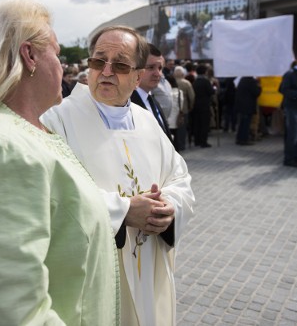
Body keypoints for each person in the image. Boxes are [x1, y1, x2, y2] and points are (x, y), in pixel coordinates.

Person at [0, 0, 118, 325]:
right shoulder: (2, 148)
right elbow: (19, 310)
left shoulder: (13, 132)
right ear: (29, 55)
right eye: (57, 54)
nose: (63, 66)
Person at [42, 25, 195, 326]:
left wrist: (168, 208)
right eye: (99, 62)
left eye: (121, 65)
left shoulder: (146, 121)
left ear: (138, 77)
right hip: (95, 272)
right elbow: (51, 190)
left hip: (149, 263)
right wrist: (123, 211)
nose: (107, 71)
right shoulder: (57, 120)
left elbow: (181, 180)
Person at [131, 43, 173, 142]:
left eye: (160, 68)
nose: (158, 74)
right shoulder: (126, 104)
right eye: (150, 67)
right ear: (135, 68)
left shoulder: (152, 101)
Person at [172, 65, 195, 151]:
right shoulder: (186, 83)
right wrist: (191, 106)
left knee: (173, 127)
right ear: (182, 74)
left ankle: (175, 145)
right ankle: (181, 145)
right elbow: (192, 96)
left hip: (172, 109)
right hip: (183, 109)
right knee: (182, 128)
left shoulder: (170, 82)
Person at [192, 64, 214, 148]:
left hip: (196, 105)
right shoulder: (206, 81)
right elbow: (211, 91)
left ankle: (197, 141)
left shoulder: (195, 81)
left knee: (197, 123)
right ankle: (203, 142)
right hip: (205, 105)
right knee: (204, 124)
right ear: (205, 72)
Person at [235, 77, 261, 145]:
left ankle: (239, 138)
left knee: (242, 122)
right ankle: (244, 139)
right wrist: (259, 86)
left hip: (241, 105)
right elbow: (256, 92)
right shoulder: (251, 81)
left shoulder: (242, 80)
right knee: (246, 123)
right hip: (248, 105)